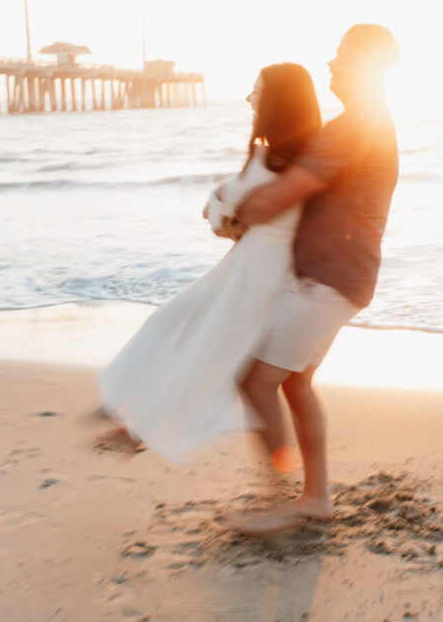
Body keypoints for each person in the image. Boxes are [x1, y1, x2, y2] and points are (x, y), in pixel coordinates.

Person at [96, 63, 322, 463]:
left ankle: (139, 422)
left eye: (257, 90)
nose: (249, 98)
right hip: (263, 268)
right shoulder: (306, 157)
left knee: (201, 346)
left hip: (255, 273)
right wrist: (226, 207)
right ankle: (134, 415)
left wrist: (217, 202)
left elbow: (221, 215)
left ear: (277, 101)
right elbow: (238, 212)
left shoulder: (268, 158)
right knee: (188, 332)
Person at [226, 24, 400, 534]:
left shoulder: (354, 128)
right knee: (297, 382)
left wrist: (235, 210)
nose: (330, 64)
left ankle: (279, 493)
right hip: (343, 277)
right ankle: (315, 497)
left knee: (256, 380)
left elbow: (280, 198)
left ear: (366, 63)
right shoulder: (365, 123)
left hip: (329, 279)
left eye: (341, 54)